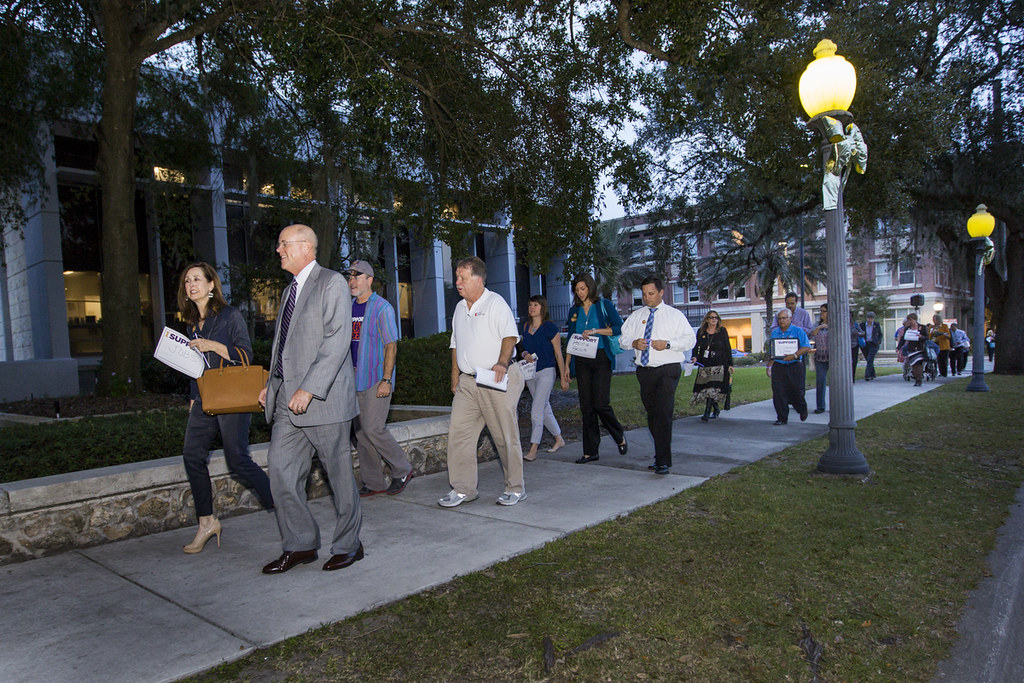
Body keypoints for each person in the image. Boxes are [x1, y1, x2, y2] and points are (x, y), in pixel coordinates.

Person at [257, 224, 363, 575]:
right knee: (281, 473)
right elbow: (284, 347)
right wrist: (272, 385)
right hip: (289, 401)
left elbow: (336, 341)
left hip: (324, 399)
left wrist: (309, 387)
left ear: (306, 247)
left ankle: (350, 545)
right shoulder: (290, 291)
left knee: (339, 477)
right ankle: (300, 544)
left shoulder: (331, 282)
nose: (279, 250)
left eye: (284, 243)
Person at [177, 262, 274, 554]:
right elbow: (197, 366)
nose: (190, 284)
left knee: (237, 460)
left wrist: (213, 346)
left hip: (231, 396)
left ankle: (282, 502)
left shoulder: (230, 315)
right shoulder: (192, 324)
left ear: (210, 285)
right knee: (191, 455)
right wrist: (194, 395)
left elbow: (245, 354)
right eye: (186, 281)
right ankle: (206, 521)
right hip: (205, 399)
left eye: (196, 279)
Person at [439, 256, 526, 508]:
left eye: (462, 278)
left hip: (494, 379)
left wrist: (501, 362)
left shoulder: (496, 303)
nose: (457, 282)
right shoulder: (459, 308)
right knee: (459, 435)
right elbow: (455, 343)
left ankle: (515, 487)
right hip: (467, 383)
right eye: (457, 277)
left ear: (478, 279)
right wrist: (455, 374)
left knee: (504, 436)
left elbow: (510, 337)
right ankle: (463, 488)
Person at [347, 260, 414, 497]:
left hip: (375, 378)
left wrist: (387, 379)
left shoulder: (382, 308)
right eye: (350, 277)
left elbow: (391, 345)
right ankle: (373, 481)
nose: (352, 281)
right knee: (361, 434)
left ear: (369, 280)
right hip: (352, 380)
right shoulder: (348, 307)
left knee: (374, 428)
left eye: (358, 276)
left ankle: (403, 469)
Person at [619, 276, 696, 474]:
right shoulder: (637, 316)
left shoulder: (675, 316)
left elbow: (690, 340)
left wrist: (668, 344)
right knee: (653, 416)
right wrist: (633, 343)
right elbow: (623, 339)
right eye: (643, 294)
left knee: (663, 413)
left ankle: (663, 460)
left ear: (661, 292)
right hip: (645, 372)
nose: (647, 298)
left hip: (667, 369)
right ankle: (661, 455)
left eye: (651, 294)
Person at [562, 273, 628, 464]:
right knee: (587, 406)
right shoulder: (574, 310)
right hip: (582, 359)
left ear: (590, 287)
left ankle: (619, 435)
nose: (580, 293)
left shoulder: (604, 305)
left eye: (583, 289)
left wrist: (596, 331)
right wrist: (567, 365)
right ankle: (590, 451)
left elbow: (618, 328)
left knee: (600, 403)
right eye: (577, 290)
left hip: (601, 358)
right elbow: (572, 338)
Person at [518, 295, 568, 462]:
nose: (532, 308)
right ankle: (559, 439)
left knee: (536, 410)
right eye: (530, 305)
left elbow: (558, 354)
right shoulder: (525, 327)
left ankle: (533, 448)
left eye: (536, 305)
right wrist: (524, 354)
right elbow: (523, 349)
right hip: (530, 373)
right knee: (544, 408)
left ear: (542, 308)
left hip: (547, 371)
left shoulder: (549, 328)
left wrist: (562, 378)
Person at [767, 309, 811, 425]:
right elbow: (772, 351)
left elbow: (806, 347)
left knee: (796, 391)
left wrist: (795, 355)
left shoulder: (798, 331)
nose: (781, 321)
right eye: (779, 318)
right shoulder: (775, 333)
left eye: (784, 318)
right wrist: (769, 366)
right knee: (778, 392)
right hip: (779, 366)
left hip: (794, 366)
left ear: (790, 319)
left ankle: (802, 408)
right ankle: (782, 418)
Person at [689, 309, 732, 422]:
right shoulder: (701, 332)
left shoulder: (722, 331)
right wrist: (695, 357)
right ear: (707, 320)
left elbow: (727, 348)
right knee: (706, 388)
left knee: (712, 388)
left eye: (716, 317)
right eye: (711, 317)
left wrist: (730, 364)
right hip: (705, 364)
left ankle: (707, 413)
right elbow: (696, 347)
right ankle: (716, 409)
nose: (714, 319)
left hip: (719, 365)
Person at [810, 304, 829, 414]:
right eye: (820, 311)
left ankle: (837, 404)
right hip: (820, 357)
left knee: (836, 382)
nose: (822, 313)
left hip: (832, 357)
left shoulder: (835, 324)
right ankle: (820, 406)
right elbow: (811, 335)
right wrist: (820, 327)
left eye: (824, 311)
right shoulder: (817, 324)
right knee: (820, 381)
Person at [898, 316, 927, 386]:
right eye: (908, 320)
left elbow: (927, 337)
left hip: (920, 348)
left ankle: (919, 380)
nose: (910, 322)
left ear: (915, 320)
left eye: (911, 320)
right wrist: (899, 347)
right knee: (914, 365)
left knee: (918, 364)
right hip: (911, 349)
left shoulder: (922, 327)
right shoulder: (907, 328)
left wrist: (921, 337)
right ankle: (916, 378)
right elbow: (903, 339)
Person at [859, 311, 882, 381]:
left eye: (871, 318)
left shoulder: (876, 325)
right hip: (865, 344)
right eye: (869, 318)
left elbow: (880, 334)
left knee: (870, 359)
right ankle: (873, 374)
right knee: (868, 360)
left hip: (874, 344)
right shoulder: (862, 325)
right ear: (867, 318)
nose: (870, 320)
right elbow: (859, 333)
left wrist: (878, 341)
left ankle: (867, 375)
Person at [850, 311, 865, 380]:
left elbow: (862, 333)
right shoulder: (842, 324)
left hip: (854, 345)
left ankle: (852, 377)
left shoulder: (855, 324)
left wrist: (857, 333)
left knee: (854, 361)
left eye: (850, 316)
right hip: (845, 347)